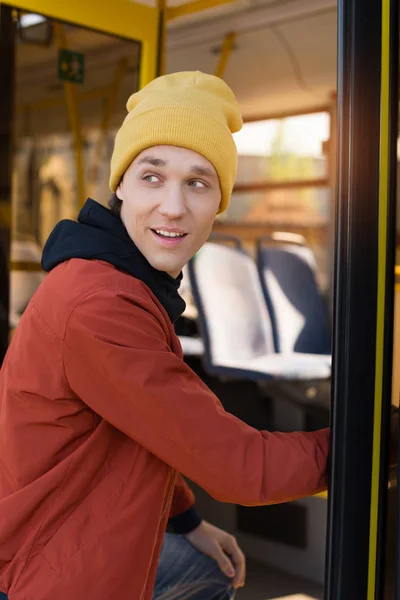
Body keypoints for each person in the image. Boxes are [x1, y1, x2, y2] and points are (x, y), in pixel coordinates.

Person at [0, 71, 329, 600]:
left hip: (55, 538)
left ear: (219, 201)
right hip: (41, 577)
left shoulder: (120, 281)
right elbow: (239, 468)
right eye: (153, 176)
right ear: (122, 186)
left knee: (210, 570)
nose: (174, 206)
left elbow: (137, 430)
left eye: (198, 182)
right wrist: (368, 445)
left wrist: (187, 522)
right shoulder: (101, 305)